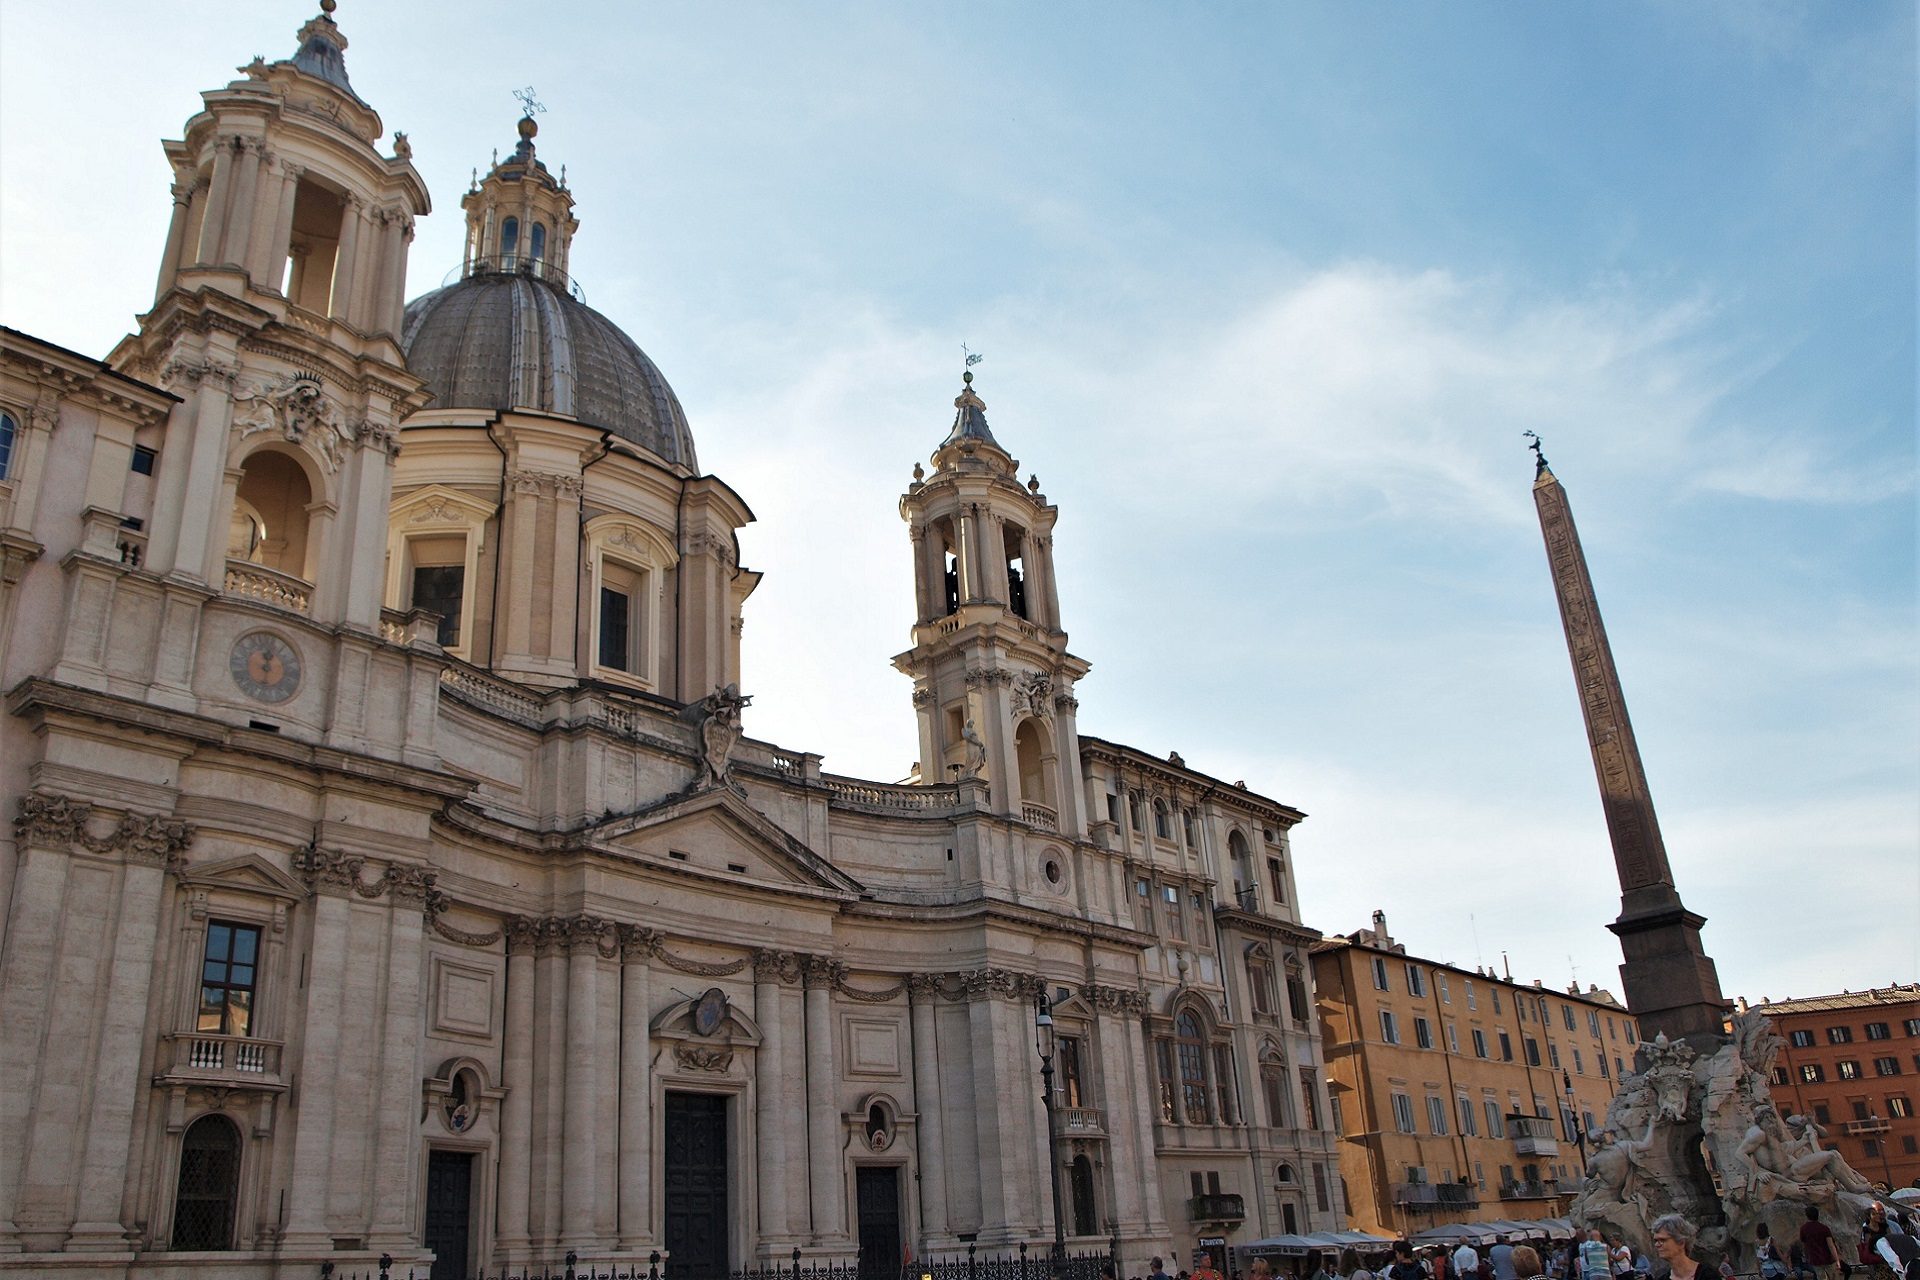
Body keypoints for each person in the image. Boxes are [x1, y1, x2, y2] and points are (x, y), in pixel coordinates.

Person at [1651, 1213, 1703, 1280]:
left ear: (1681, 1242)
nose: (1657, 1245)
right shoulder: (1662, 1278)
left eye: (1662, 1240)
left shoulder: (1706, 1275)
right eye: (1656, 1241)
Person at [1800, 1205, 1840, 1280]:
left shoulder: (1804, 1229)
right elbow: (1831, 1245)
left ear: (1807, 1216)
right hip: (1828, 1258)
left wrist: (1807, 1257)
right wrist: (1837, 1260)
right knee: (1833, 1277)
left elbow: (1804, 1245)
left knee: (1821, 1278)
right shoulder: (1824, 1228)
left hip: (1815, 1259)